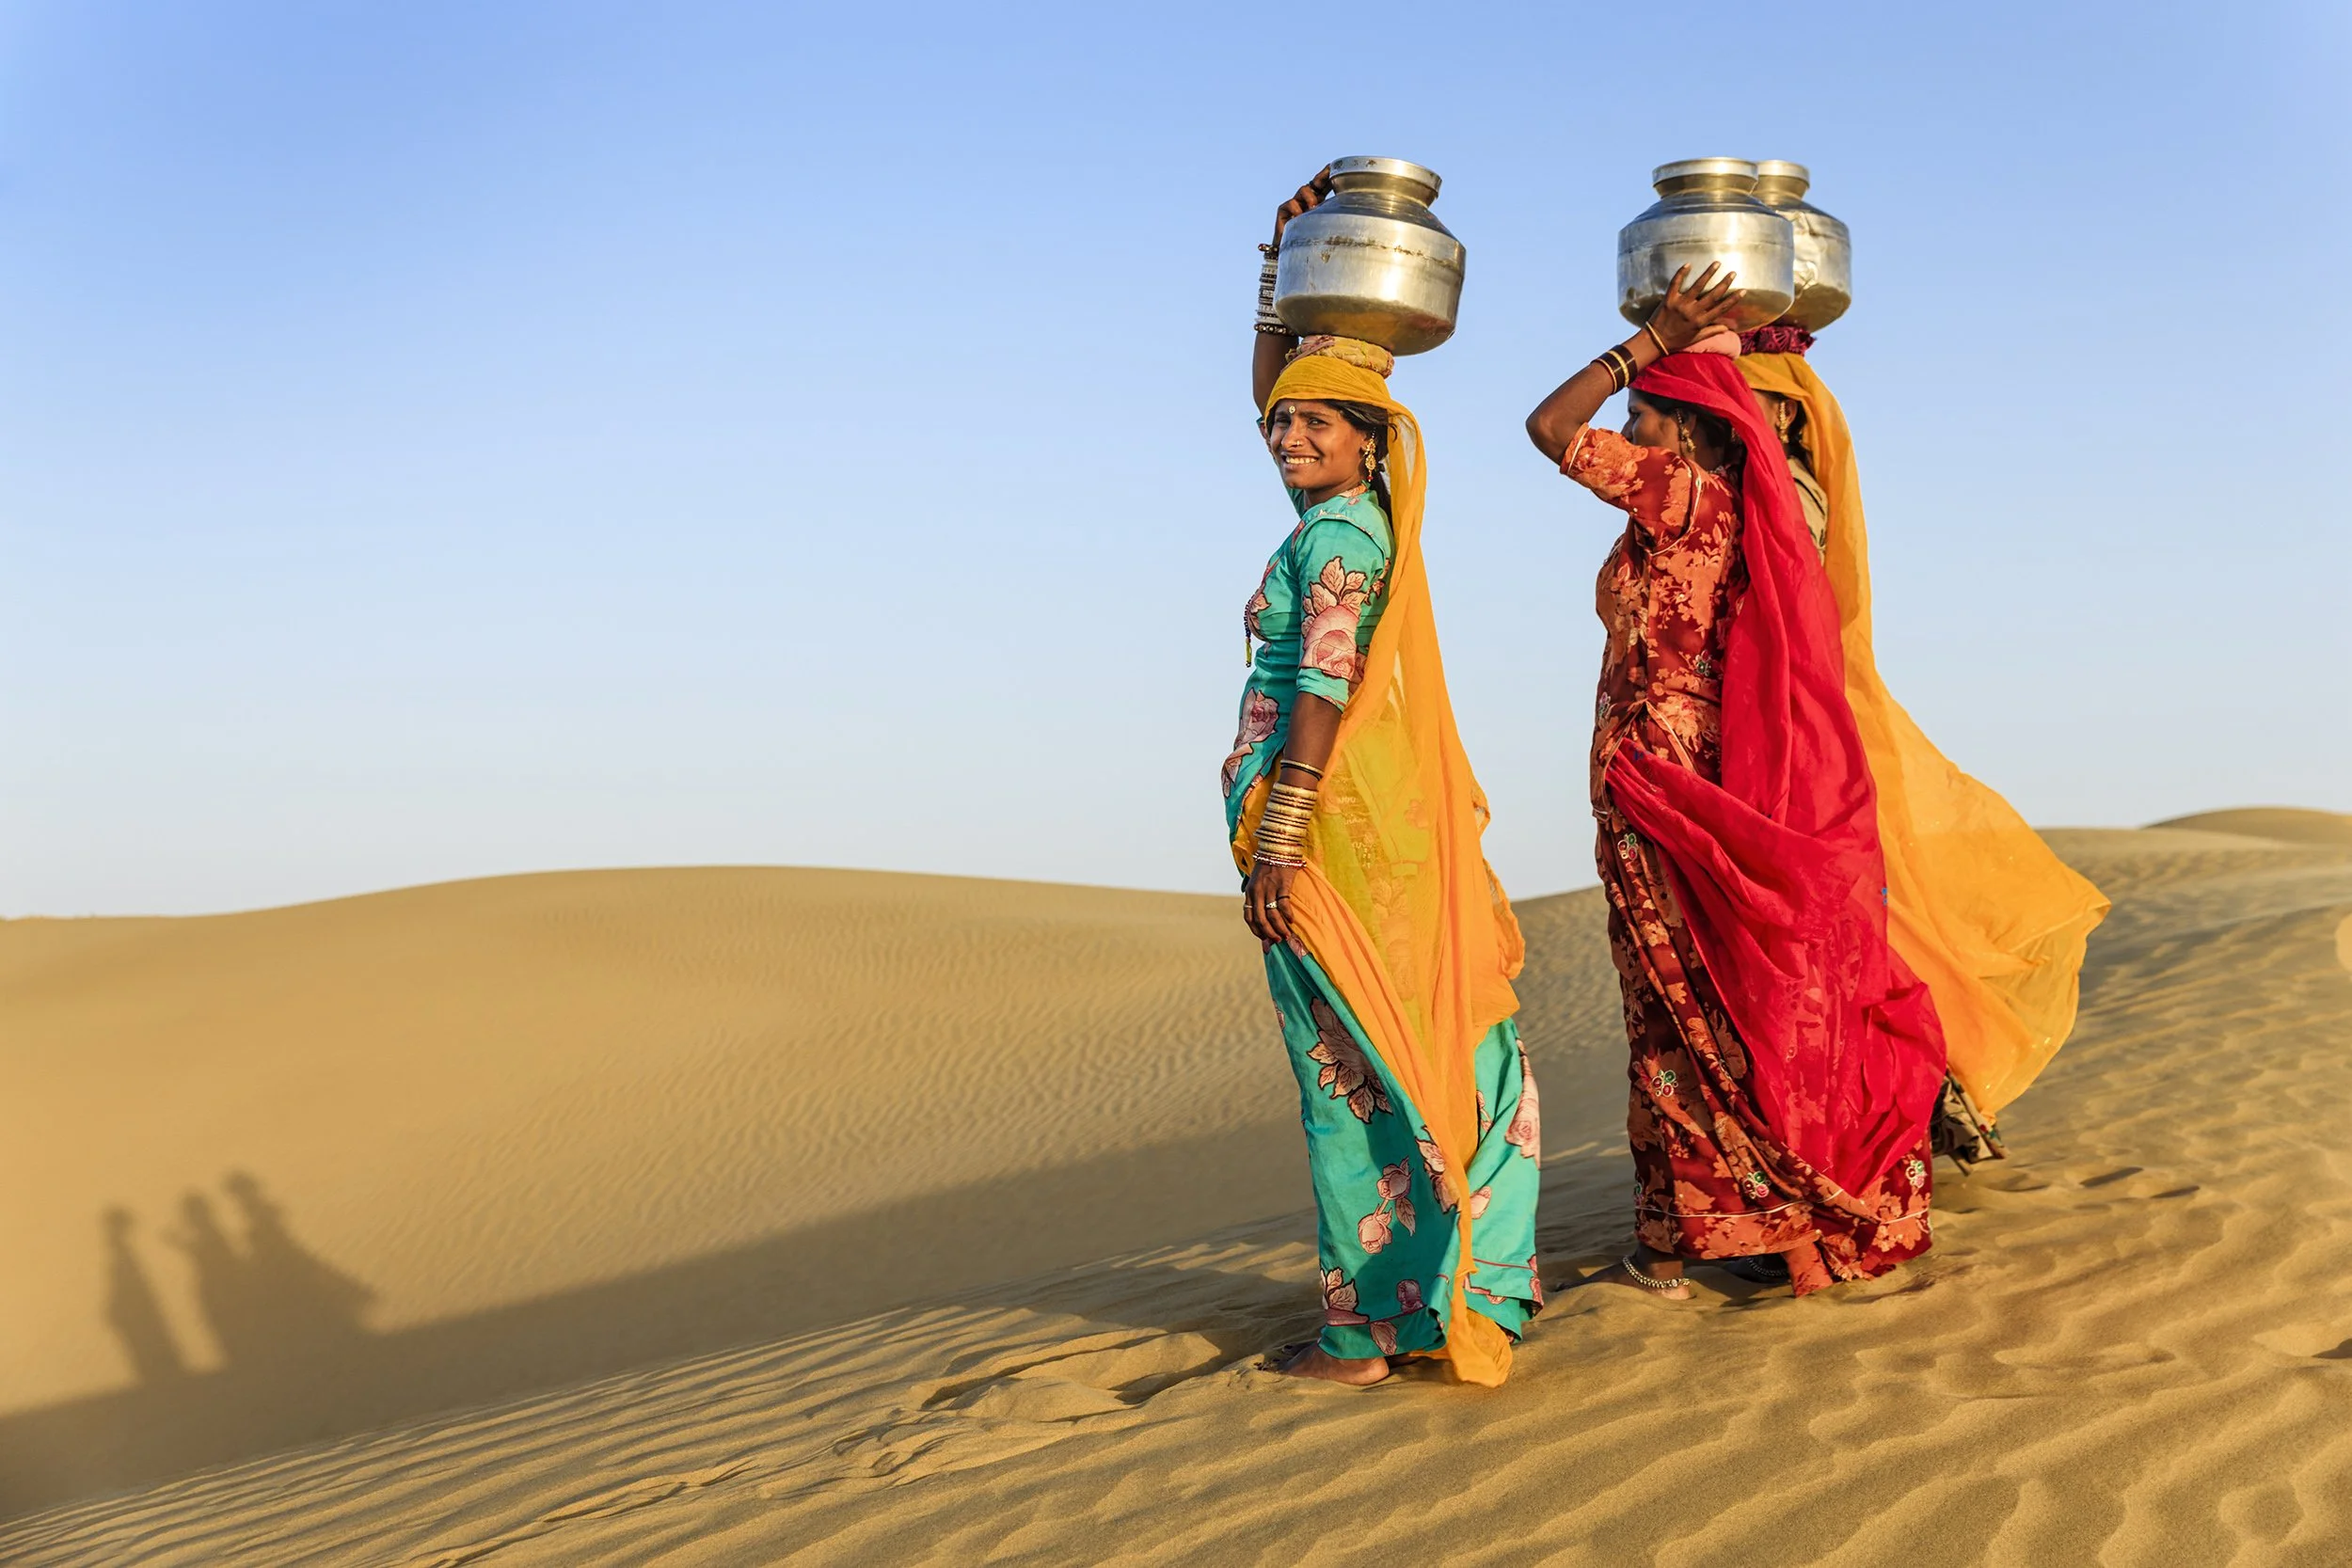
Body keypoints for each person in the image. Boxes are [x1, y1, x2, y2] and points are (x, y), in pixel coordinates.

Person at [1523, 266, 1946, 1299]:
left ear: (1695, 430)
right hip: (1677, 779)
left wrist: (1643, 340)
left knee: (1679, 1013)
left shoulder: (1686, 497)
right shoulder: (1718, 511)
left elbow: (1544, 425)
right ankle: (1722, 1231)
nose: (1626, 432)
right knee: (1703, 1005)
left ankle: (1724, 1230)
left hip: (1660, 781)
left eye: (1642, 417)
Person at [1227, 170, 1540, 1385]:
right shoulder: (1344, 515)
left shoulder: (1343, 540)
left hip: (1332, 833)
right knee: (1410, 1045)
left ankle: (1370, 1325)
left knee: (1351, 1066)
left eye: (1314, 424)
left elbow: (1321, 690)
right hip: (1346, 828)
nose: (1288, 434)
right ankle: (1466, 1283)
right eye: (1280, 426)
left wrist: (1281, 834)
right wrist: (1276, 275)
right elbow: (1284, 389)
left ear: (1367, 439)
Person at [1736, 325, 2109, 1167]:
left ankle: (1934, 1086)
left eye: (1750, 398)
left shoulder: (1787, 491)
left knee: (1858, 922)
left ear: (1790, 418)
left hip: (1802, 727)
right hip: (1791, 722)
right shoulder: (1763, 483)